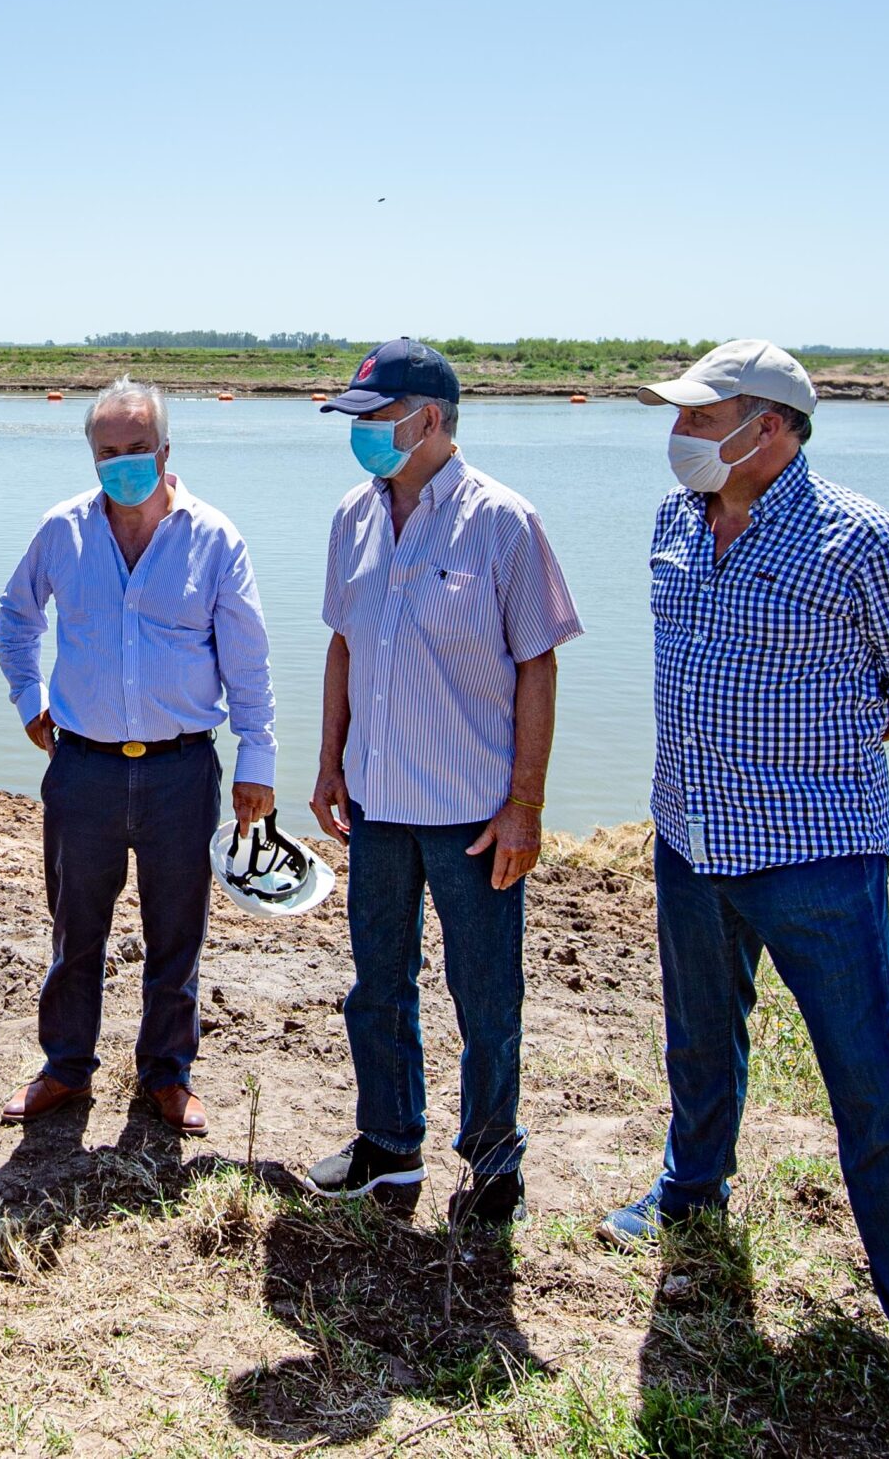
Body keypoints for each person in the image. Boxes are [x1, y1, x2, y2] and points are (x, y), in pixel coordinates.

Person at [603, 340, 889, 1454]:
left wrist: (808, 757)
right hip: (689, 840)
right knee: (698, 1041)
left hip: (815, 856)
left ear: (767, 428)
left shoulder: (867, 542)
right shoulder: (676, 523)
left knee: (871, 1099)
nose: (676, 434)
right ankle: (691, 1190)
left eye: (698, 415)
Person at [301, 339, 581, 1224]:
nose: (361, 437)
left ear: (426, 420)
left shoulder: (503, 521)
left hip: (472, 816)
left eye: (373, 420)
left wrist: (526, 805)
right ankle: (389, 1143)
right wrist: (327, 763)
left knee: (486, 994)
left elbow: (538, 666)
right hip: (378, 805)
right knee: (377, 982)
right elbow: (344, 645)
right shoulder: (354, 514)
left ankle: (495, 1164)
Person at [0, 378, 275, 1137]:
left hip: (182, 770)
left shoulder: (215, 537)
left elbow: (247, 661)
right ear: (92, 454)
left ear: (166, 450)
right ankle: (65, 1068)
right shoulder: (63, 531)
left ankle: (166, 1076)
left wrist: (259, 759)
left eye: (137, 450)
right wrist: (29, 702)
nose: (124, 464)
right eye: (108, 452)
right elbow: (16, 618)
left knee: (176, 933)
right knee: (73, 929)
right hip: (81, 768)